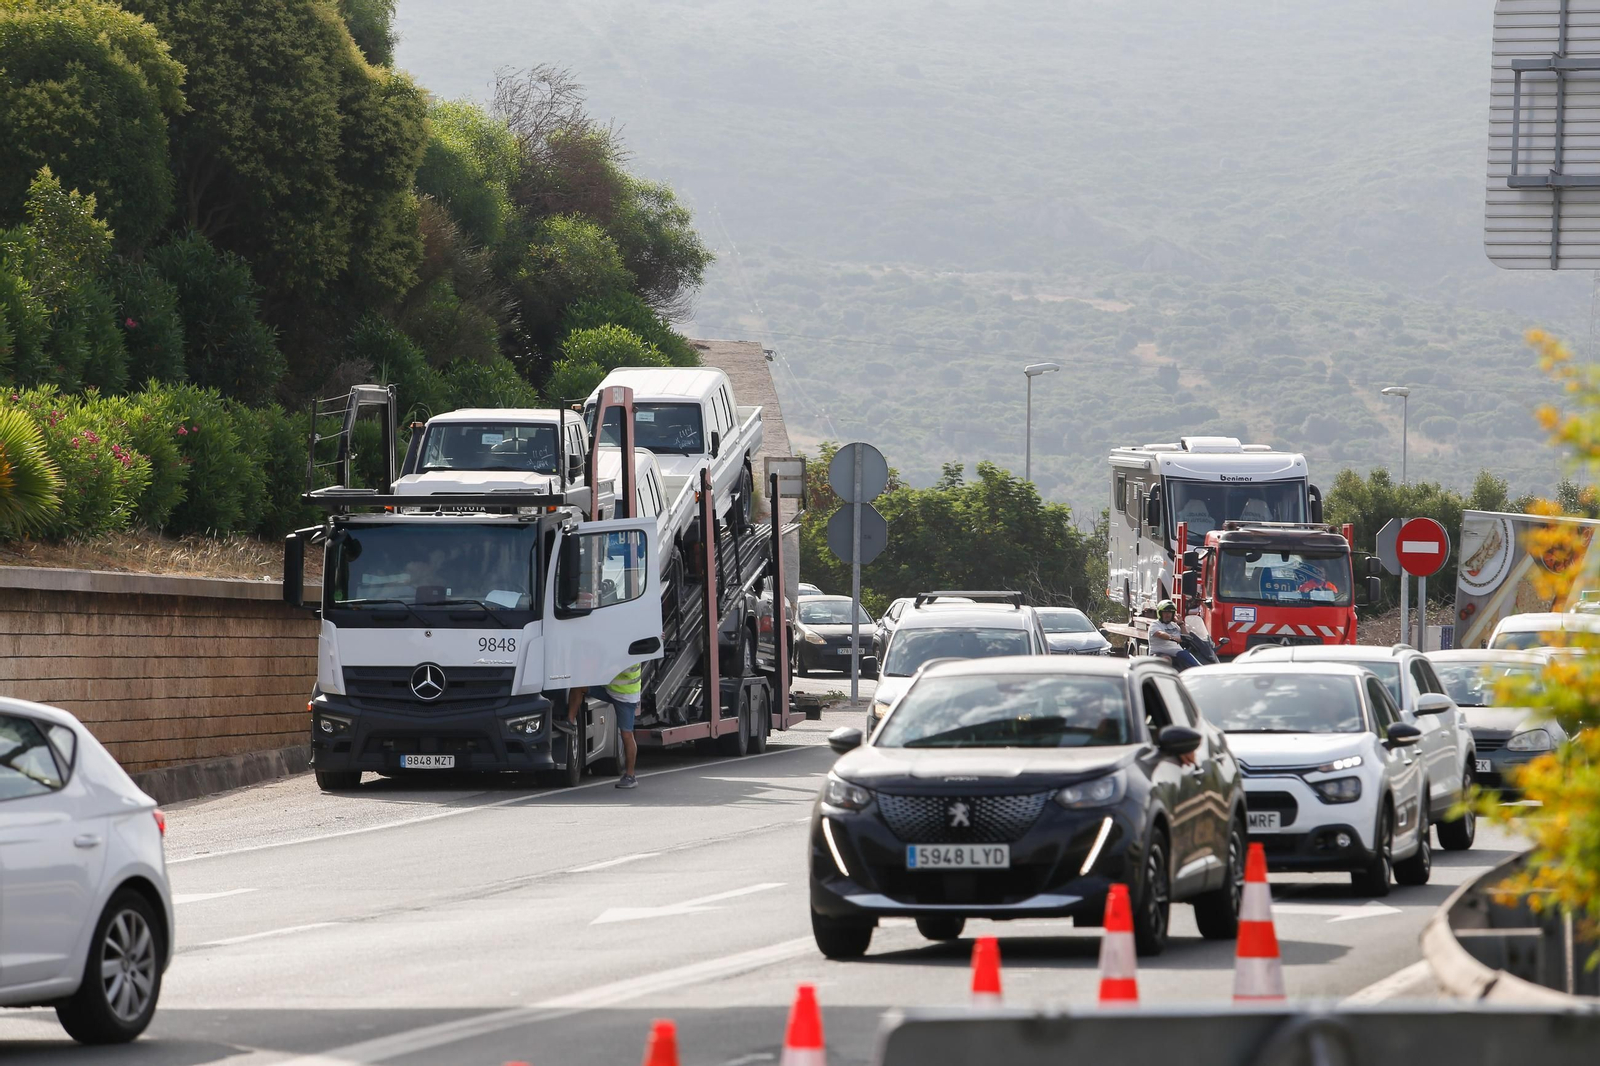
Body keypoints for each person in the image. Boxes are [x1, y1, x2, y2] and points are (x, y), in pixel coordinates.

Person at [558, 662, 644, 788]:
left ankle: (630, 776)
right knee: (578, 686)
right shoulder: (618, 644)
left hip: (625, 696)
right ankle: (570, 722)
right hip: (610, 689)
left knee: (626, 734)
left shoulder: (629, 648)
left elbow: (609, 666)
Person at [1147, 599, 1201, 671]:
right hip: (1160, 653)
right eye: (1165, 612)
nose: (1168, 615)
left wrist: (1181, 624)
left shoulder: (1174, 625)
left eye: (1170, 613)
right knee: (1166, 660)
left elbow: (1186, 636)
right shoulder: (1155, 624)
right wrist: (1172, 638)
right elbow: (1160, 634)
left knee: (1190, 658)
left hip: (1177, 652)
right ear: (1160, 613)